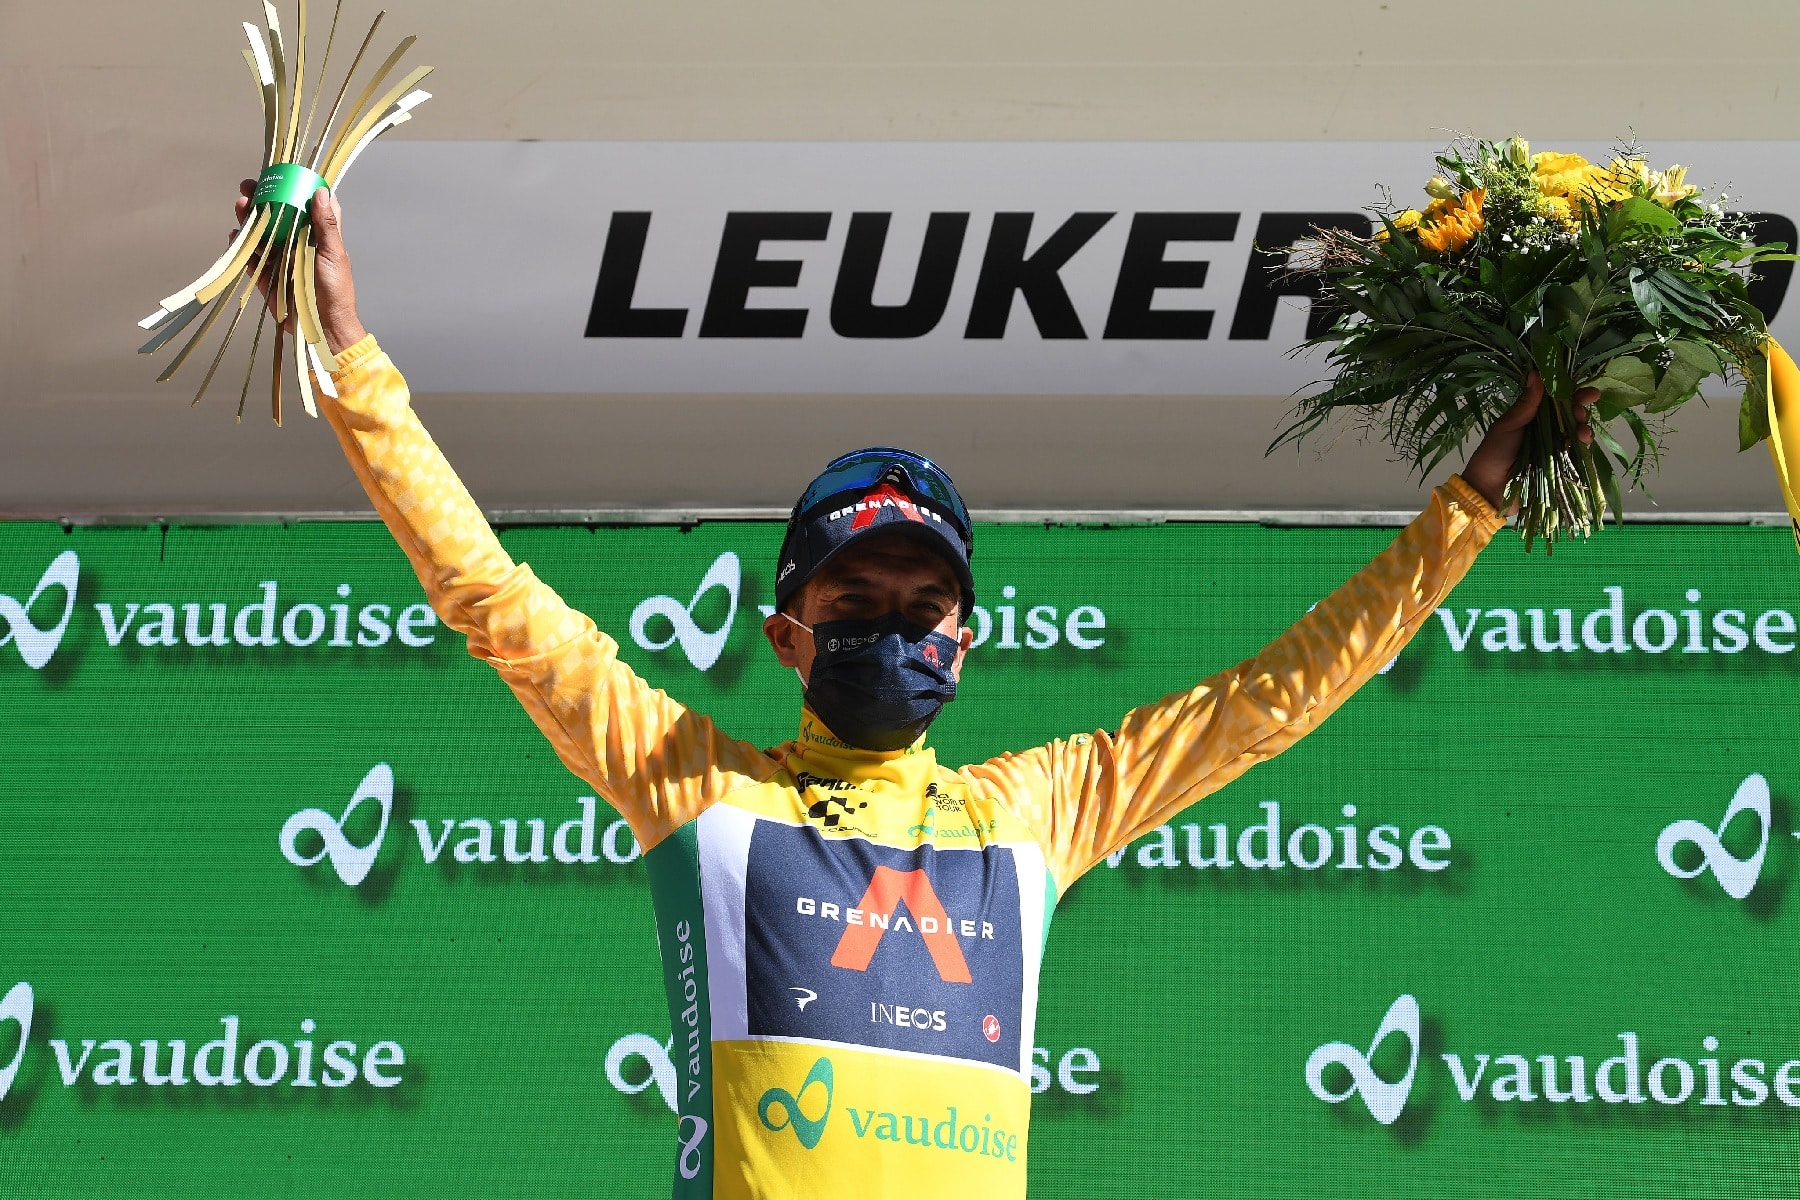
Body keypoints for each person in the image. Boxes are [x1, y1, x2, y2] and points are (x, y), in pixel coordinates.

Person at [242, 183, 1592, 1200]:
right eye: (854, 604)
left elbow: (1276, 697)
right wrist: (349, 350)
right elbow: (487, 594)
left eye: (923, 605)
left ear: (967, 639)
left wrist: (1470, 506)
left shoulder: (1038, 812)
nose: (893, 625)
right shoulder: (695, 784)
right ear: (787, 637)